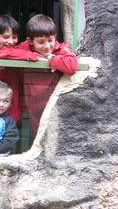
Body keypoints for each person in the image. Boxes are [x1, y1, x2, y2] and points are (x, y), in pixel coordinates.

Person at [13, 14, 79, 143]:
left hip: (53, 102)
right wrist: (32, 56)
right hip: (31, 101)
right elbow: (7, 53)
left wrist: (52, 59)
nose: (47, 46)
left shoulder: (60, 48)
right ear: (30, 41)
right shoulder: (24, 47)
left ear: (55, 37)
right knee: (35, 137)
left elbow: (72, 66)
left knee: (53, 137)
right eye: (41, 42)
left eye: (50, 40)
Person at [0, 81, 19, 156]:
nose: (1, 105)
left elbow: (10, 139)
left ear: (10, 103)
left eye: (6, 101)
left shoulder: (9, 122)